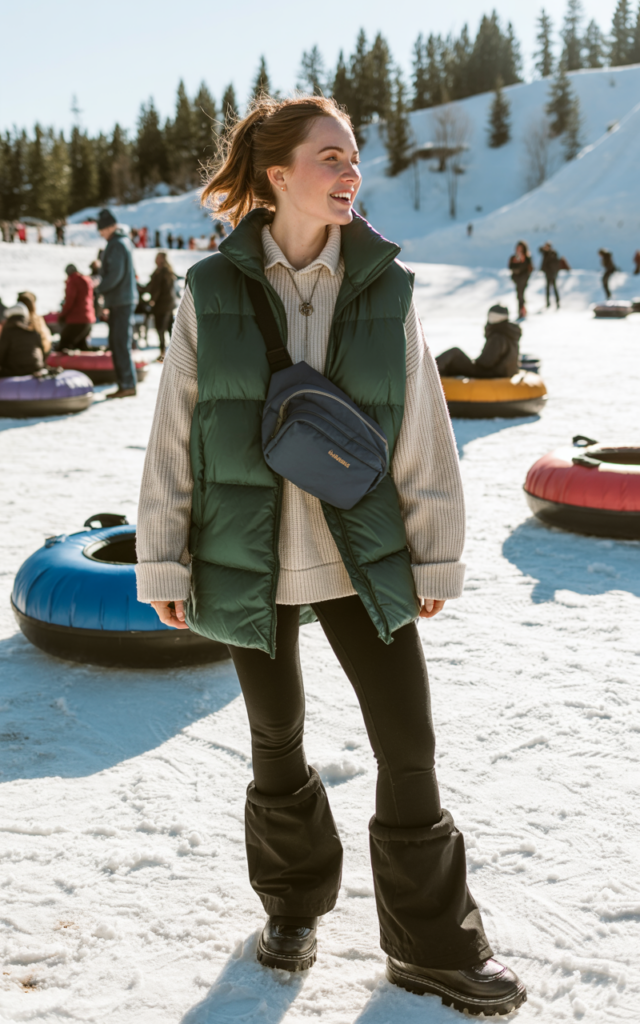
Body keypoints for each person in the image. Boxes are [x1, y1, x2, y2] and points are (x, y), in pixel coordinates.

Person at [135, 95, 526, 1017]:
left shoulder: (384, 285)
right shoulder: (213, 290)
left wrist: (434, 555)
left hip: (363, 551)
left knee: (409, 745)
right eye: (331, 158)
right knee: (277, 741)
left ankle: (434, 946)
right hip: (249, 555)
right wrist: (164, 560)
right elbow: (175, 433)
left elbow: (424, 426)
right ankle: (293, 908)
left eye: (354, 158)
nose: (351, 174)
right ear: (277, 176)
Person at [94, 208, 138, 399]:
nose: (101, 233)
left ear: (112, 227)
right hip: (121, 300)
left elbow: (115, 274)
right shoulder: (121, 242)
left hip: (121, 300)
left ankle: (127, 384)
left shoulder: (117, 244)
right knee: (118, 342)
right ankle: (125, 383)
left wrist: (99, 288)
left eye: (103, 229)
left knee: (120, 343)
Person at [436, 305, 521, 378]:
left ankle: (428, 372)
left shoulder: (497, 336)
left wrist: (474, 362)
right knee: (456, 360)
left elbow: (485, 363)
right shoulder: (509, 332)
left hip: (489, 373)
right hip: (500, 372)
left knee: (455, 352)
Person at [143, 251, 176, 361]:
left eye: (158, 257)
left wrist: (152, 300)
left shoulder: (160, 272)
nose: (155, 259)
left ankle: (163, 354)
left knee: (161, 330)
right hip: (169, 304)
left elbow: (155, 288)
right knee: (169, 330)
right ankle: (172, 354)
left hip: (161, 305)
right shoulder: (168, 271)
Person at [0, 303, 47, 376]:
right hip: (35, 369)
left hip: (13, 371)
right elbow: (42, 351)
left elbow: (1, 352)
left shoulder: (8, 331)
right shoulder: (33, 330)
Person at [58, 264, 96, 351]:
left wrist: (62, 315)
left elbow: (70, 301)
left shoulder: (73, 281)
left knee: (64, 343)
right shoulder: (87, 280)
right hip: (89, 318)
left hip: (76, 319)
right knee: (81, 345)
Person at [508, 240, 532, 319]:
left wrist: (522, 262)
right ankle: (521, 310)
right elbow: (511, 267)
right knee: (519, 295)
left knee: (521, 295)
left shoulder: (526, 257)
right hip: (516, 279)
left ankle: (522, 311)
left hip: (523, 278)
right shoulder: (513, 257)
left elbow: (529, 268)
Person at [539, 242, 561, 309]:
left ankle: (557, 302)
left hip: (553, 273)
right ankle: (548, 302)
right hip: (547, 273)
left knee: (554, 288)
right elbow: (539, 250)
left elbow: (555, 263)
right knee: (547, 288)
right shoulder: (545, 253)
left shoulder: (553, 253)